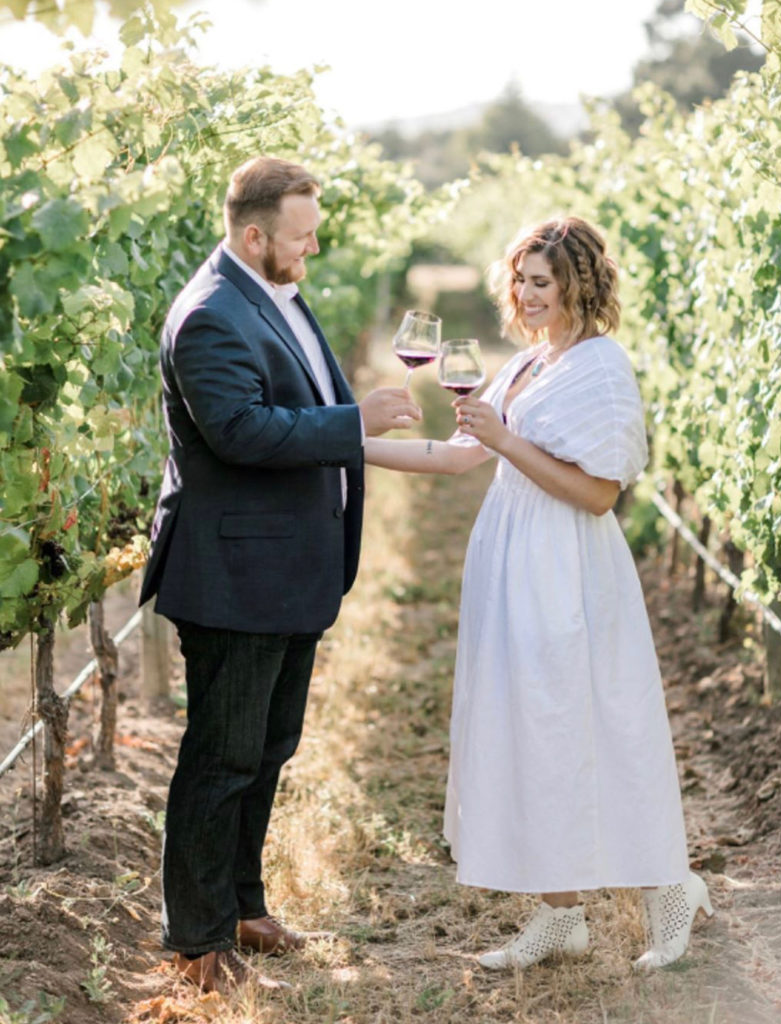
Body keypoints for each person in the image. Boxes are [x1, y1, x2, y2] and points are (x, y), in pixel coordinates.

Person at [365, 216, 712, 970]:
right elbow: (460, 458)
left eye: (541, 282)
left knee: (594, 725)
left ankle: (669, 889)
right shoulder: (526, 364)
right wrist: (344, 446)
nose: (524, 294)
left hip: (569, 570)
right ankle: (559, 917)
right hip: (512, 562)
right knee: (531, 728)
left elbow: (595, 496)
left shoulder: (600, 367)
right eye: (519, 280)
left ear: (577, 285)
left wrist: (503, 442)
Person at [139, 155, 420, 994]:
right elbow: (241, 433)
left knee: (266, 750)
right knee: (220, 760)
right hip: (234, 575)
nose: (315, 245)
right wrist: (351, 420)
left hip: (284, 569)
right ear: (254, 234)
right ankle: (195, 943)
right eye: (301, 234)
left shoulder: (271, 296)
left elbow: (291, 411)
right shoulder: (210, 316)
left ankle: (242, 904)